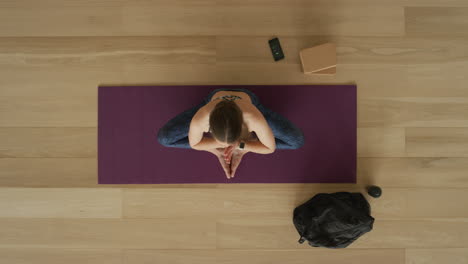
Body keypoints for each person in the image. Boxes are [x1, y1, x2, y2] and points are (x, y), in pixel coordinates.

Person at [157, 88, 304, 179]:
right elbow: (195, 144)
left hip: (248, 100)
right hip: (214, 98)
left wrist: (242, 147)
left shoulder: (254, 118)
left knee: (297, 141)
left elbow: (269, 148)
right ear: (210, 126)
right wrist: (217, 149)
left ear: (244, 128)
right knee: (164, 138)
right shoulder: (200, 118)